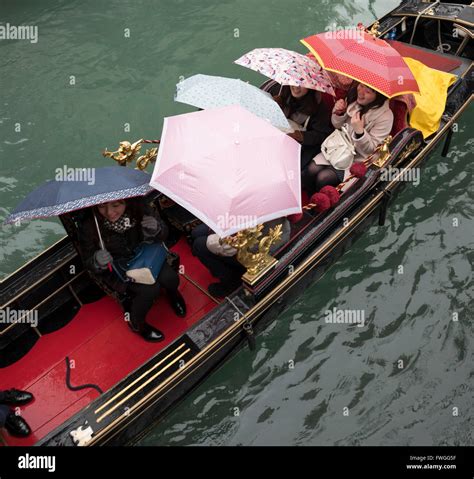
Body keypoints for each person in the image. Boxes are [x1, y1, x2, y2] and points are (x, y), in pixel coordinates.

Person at [78, 197, 186, 342]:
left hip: (145, 255)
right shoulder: (89, 225)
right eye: (102, 207)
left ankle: (173, 294)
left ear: (125, 201)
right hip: (119, 267)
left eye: (115, 205)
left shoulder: (139, 206)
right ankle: (137, 323)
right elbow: (88, 261)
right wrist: (97, 260)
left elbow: (164, 233)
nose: (110, 213)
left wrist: (157, 228)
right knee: (150, 289)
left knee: (170, 278)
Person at [302, 83, 394, 194]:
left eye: (368, 91)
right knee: (311, 170)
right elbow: (336, 125)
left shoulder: (386, 117)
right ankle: (307, 197)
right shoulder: (353, 98)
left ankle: (320, 207)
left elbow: (371, 150)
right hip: (338, 147)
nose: (360, 92)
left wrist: (360, 132)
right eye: (361, 85)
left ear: (378, 97)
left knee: (324, 178)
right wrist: (339, 114)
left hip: (357, 160)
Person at [192, 218, 291, 297]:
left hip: (252, 253)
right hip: (280, 234)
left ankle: (231, 282)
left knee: (199, 245)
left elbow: (220, 246)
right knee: (196, 233)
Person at [273, 85, 334, 170]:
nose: (296, 86)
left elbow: (322, 135)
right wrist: (276, 104)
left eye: (302, 85)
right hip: (281, 139)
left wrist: (299, 136)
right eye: (294, 82)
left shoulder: (319, 106)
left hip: (304, 147)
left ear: (310, 87)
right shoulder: (283, 92)